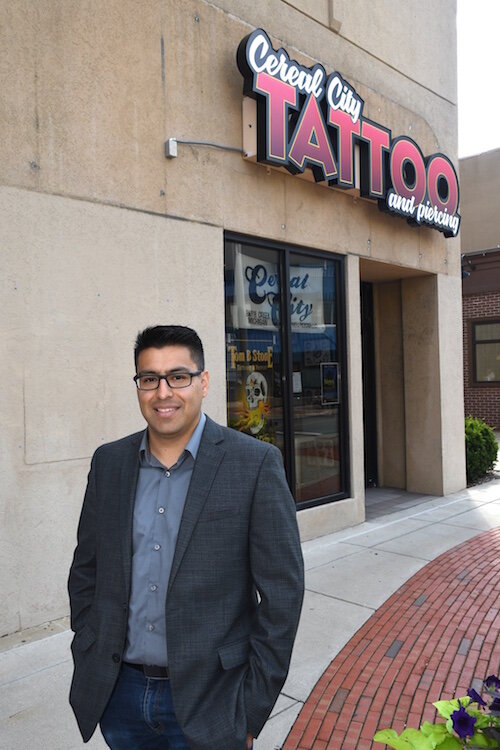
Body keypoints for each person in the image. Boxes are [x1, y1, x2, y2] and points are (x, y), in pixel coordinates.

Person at [68, 325, 304, 750]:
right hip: (119, 695)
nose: (163, 392)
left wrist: (250, 708)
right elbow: (86, 570)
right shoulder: (109, 463)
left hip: (214, 700)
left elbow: (282, 596)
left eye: (178, 376)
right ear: (138, 385)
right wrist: (87, 643)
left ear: (204, 381)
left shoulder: (254, 464)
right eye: (149, 379)